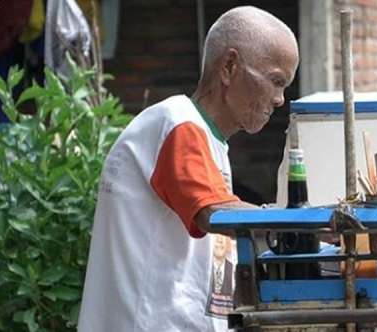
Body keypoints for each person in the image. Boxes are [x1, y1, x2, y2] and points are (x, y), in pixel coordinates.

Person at [78, 6, 298, 331]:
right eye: (276, 81)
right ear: (229, 66)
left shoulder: (209, 141)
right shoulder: (178, 123)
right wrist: (306, 225)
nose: (280, 99)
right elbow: (215, 214)